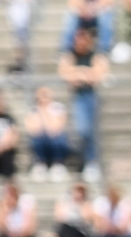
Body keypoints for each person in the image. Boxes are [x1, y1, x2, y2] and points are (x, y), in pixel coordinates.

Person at [56, 22, 106, 181]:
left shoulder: (94, 55)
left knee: (90, 130)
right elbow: (65, 73)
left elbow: (99, 74)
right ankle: (85, 160)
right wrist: (84, 73)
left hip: (91, 95)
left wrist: (79, 73)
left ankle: (92, 161)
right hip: (78, 95)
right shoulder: (70, 55)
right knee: (81, 130)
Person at [25, 85, 72, 177]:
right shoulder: (34, 110)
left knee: (59, 139)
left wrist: (45, 113)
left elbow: (56, 128)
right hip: (41, 137)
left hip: (54, 136)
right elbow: (33, 129)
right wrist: (41, 111)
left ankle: (58, 162)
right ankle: (40, 162)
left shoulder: (58, 108)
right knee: (37, 139)